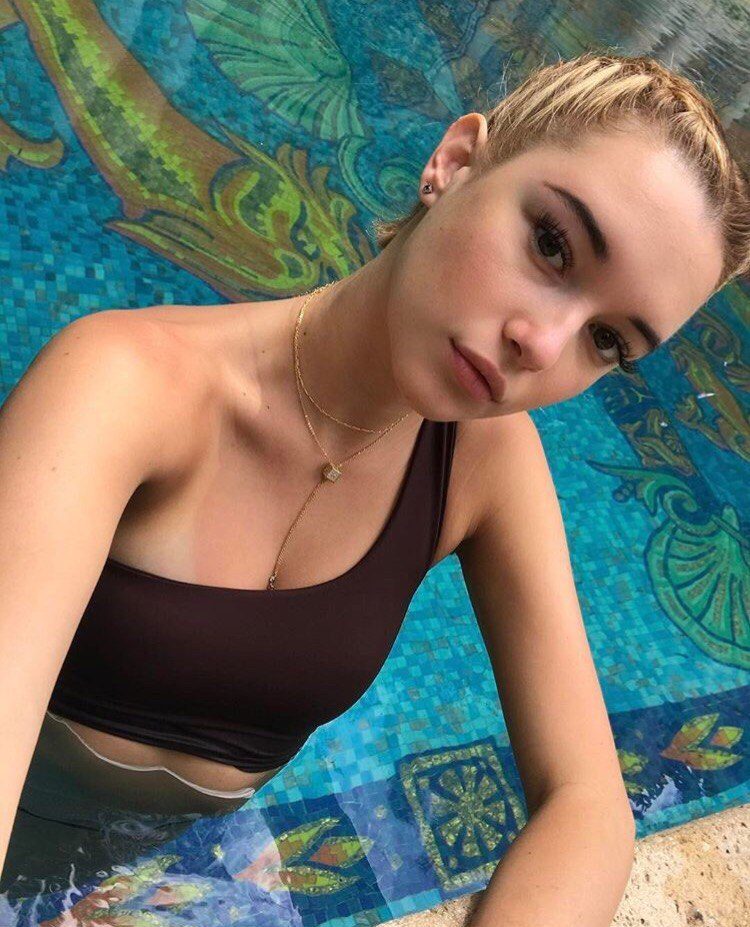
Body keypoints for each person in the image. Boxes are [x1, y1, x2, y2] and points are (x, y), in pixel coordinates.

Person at [1, 50, 748, 921]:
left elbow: (589, 803)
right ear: (455, 162)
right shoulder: (123, 387)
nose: (543, 344)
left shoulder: (483, 462)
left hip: (151, 849)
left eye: (608, 341)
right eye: (551, 244)